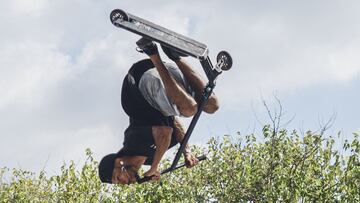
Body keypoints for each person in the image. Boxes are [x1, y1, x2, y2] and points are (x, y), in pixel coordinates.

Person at [98, 37, 219, 184]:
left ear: (118, 163)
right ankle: (175, 57)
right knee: (212, 105)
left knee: (189, 109)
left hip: (142, 80)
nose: (124, 183)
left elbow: (164, 133)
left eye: (118, 178)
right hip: (167, 78)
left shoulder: (132, 142)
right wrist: (187, 151)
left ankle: (152, 51)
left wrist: (155, 166)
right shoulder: (149, 159)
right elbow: (174, 124)